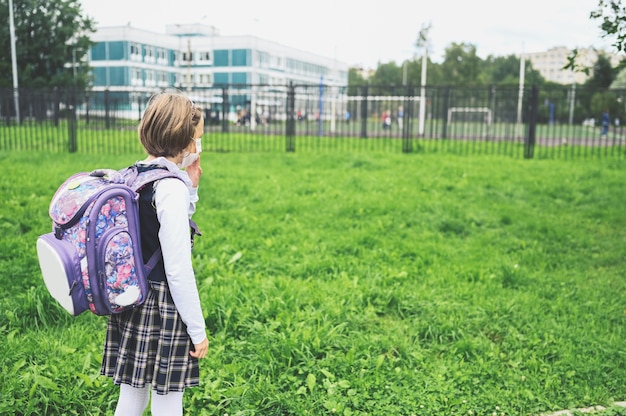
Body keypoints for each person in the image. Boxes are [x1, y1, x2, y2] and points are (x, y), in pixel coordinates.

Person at [101, 91, 209, 416]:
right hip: (162, 306)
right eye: (198, 138)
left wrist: (190, 186)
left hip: (133, 296)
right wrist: (198, 330)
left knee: (132, 395)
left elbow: (152, 225)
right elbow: (176, 268)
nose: (200, 146)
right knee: (167, 401)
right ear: (184, 140)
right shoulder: (170, 188)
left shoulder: (136, 174)